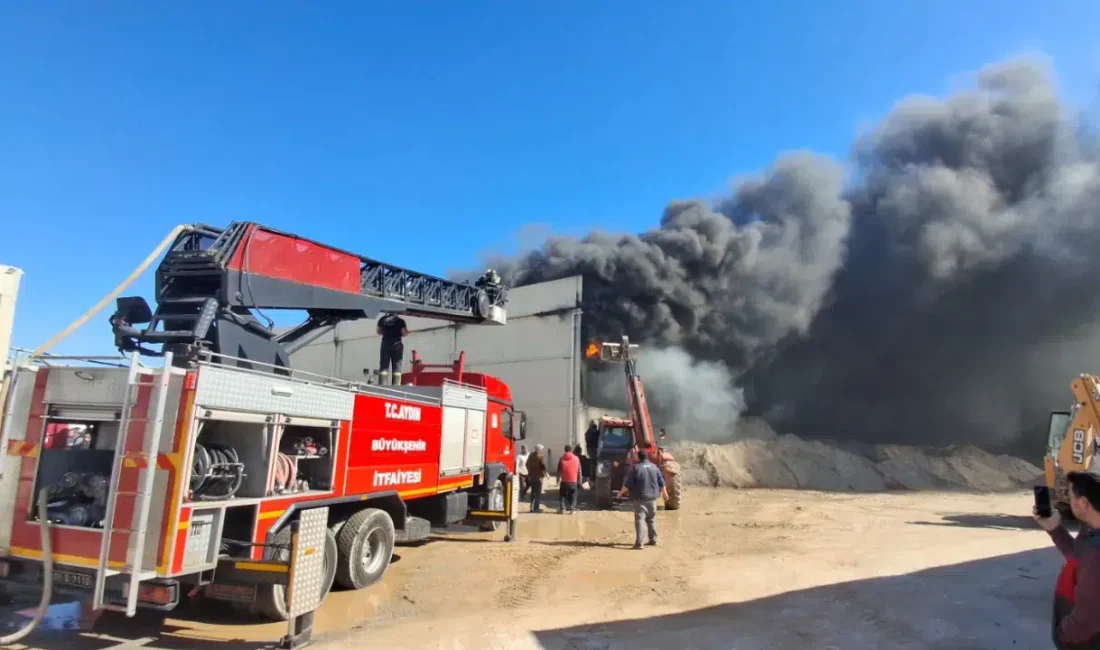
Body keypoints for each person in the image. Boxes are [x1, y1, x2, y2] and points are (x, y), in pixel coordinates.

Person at [1034, 466, 1100, 649]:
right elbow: (1079, 558)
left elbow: (1088, 618)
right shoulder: (1092, 535)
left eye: (1071, 497)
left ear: (1084, 503)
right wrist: (1055, 529)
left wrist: (1062, 635)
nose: (1069, 502)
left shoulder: (1096, 552)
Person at [618, 448, 668, 550]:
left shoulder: (636, 468)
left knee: (640, 520)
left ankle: (639, 543)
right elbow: (661, 481)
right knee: (651, 519)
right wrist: (665, 493)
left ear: (639, 457)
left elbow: (628, 484)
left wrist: (620, 493)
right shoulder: (654, 467)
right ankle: (653, 540)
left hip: (640, 498)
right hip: (653, 498)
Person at [376, 313, 409, 385]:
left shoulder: (382, 319)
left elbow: (378, 331)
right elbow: (404, 333)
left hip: (385, 345)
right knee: (397, 366)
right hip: (397, 345)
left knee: (384, 366)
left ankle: (382, 384)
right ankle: (396, 386)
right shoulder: (400, 321)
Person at [557, 444, 581, 514]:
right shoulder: (576, 458)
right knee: (573, 495)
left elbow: (559, 470)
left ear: (565, 450)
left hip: (564, 481)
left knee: (562, 495)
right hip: (573, 480)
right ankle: (572, 509)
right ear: (571, 450)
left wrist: (557, 480)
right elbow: (579, 470)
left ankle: (562, 509)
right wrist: (579, 480)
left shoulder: (562, 458)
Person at [525, 444, 547, 513]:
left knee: (533, 492)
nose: (542, 450)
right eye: (541, 449)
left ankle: (531, 507)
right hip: (538, 476)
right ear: (539, 449)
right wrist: (546, 473)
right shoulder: (540, 456)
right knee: (538, 493)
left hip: (532, 476)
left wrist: (530, 471)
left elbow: (527, 464)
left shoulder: (530, 455)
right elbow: (542, 466)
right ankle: (536, 508)